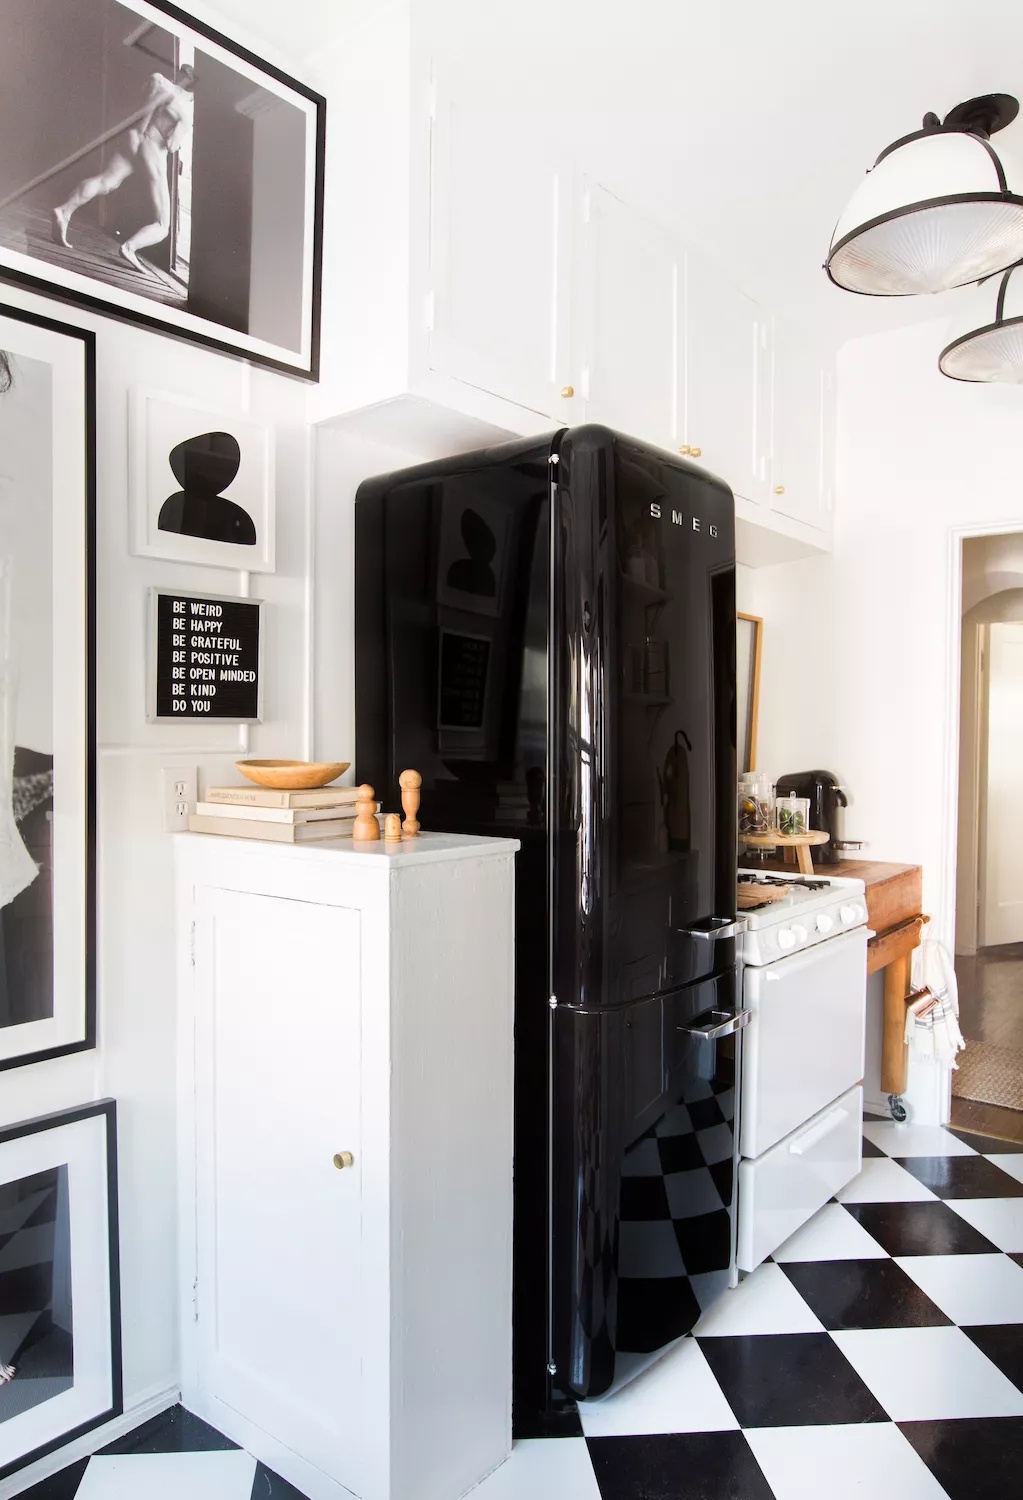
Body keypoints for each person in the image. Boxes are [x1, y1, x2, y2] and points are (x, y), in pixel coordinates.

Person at [52, 65, 195, 274]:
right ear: (193, 90)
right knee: (162, 224)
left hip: (133, 137)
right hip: (153, 150)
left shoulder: (157, 80)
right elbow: (172, 145)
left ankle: (64, 210)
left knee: (106, 182)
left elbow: (139, 110)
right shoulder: (184, 113)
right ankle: (130, 247)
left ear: (180, 75)